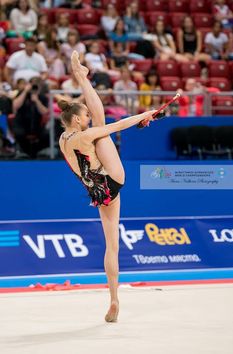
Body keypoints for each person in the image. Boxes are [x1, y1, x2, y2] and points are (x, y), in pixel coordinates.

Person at [59, 51, 156, 322]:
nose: (88, 117)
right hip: (112, 179)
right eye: (85, 115)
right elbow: (120, 124)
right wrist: (144, 115)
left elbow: (84, 160)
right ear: (77, 120)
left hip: (97, 192)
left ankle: (114, 299)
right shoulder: (87, 133)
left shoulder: (63, 140)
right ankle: (81, 77)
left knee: (110, 245)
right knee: (104, 125)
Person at [12, 77, 49, 158]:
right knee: (19, 133)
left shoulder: (42, 97)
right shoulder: (22, 93)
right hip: (21, 123)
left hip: (37, 124)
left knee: (47, 135)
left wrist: (37, 101)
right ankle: (25, 151)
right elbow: (15, 105)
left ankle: (36, 151)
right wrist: (25, 91)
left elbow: (45, 112)